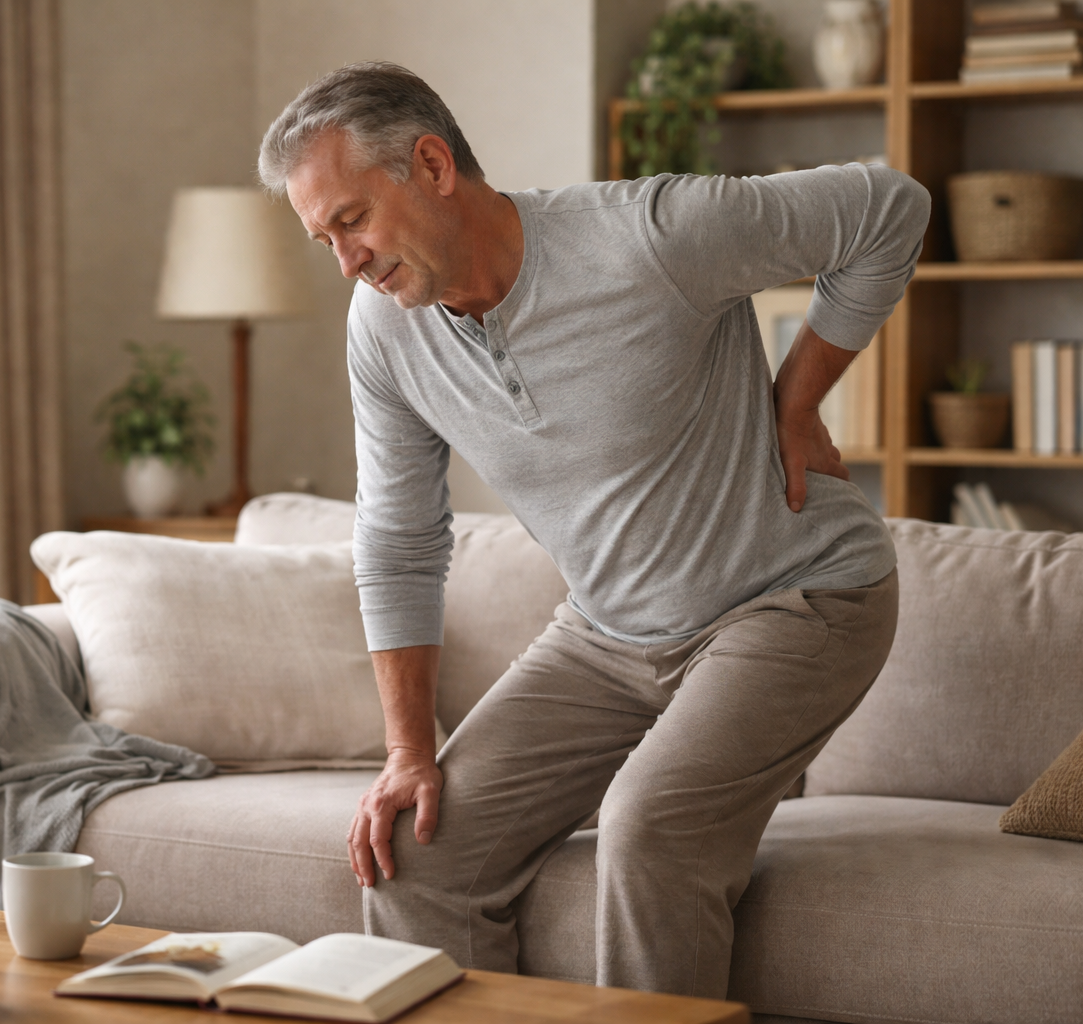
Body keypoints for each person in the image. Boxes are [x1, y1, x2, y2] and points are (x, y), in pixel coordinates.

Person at [257, 61, 929, 998]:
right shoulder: (383, 330)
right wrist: (409, 753)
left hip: (796, 599)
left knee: (650, 828)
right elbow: (400, 540)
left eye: (353, 220)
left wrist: (798, 396)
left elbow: (889, 209)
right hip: (609, 635)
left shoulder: (648, 237)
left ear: (433, 166)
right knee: (420, 851)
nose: (348, 263)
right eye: (324, 239)